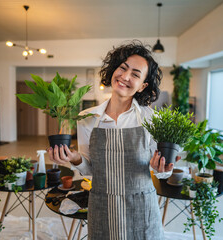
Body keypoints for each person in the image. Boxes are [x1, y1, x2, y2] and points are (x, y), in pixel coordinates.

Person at [48, 41, 178, 240]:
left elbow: (163, 172)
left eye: (135, 74)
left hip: (141, 207)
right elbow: (91, 170)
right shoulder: (87, 117)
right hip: (102, 205)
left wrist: (162, 169)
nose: (125, 77)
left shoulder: (152, 119)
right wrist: (74, 158)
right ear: (113, 70)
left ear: (143, 85)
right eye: (122, 68)